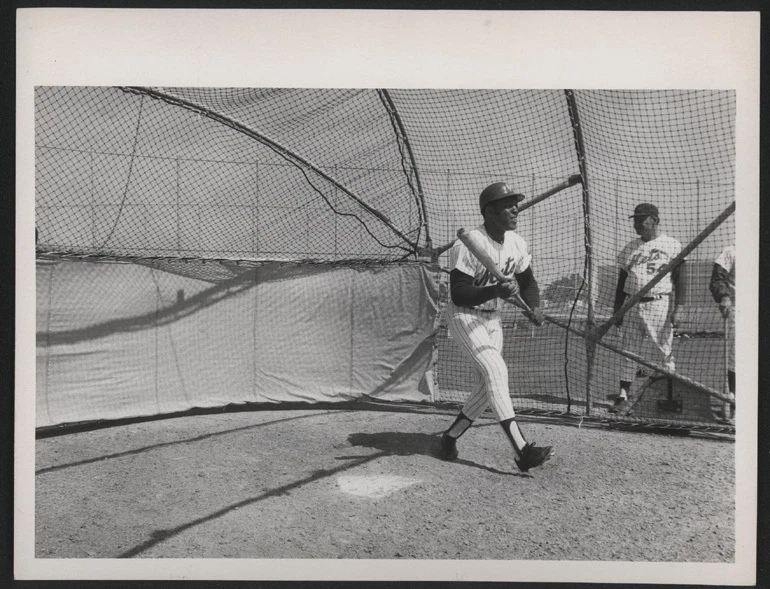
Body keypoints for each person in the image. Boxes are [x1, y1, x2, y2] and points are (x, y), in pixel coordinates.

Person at [439, 181, 553, 473]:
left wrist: (535, 307)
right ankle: (522, 451)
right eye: (508, 204)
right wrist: (496, 292)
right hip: (465, 315)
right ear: (489, 211)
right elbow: (459, 293)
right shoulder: (467, 243)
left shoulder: (516, 242)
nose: (515, 208)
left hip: (492, 318)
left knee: (486, 385)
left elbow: (528, 283)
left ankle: (449, 438)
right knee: (497, 371)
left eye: (515, 203)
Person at [610, 203, 685, 414]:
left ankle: (671, 397)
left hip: (659, 302)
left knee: (665, 350)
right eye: (635, 220)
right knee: (628, 351)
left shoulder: (671, 244)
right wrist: (618, 309)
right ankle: (622, 396)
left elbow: (680, 279)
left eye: (641, 220)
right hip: (633, 304)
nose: (636, 224)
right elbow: (621, 282)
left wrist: (679, 307)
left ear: (654, 220)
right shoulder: (630, 248)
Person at [709, 245, 735, 418]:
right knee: (737, 357)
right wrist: (724, 296)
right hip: (741, 306)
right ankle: (733, 402)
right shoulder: (732, 251)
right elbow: (717, 279)